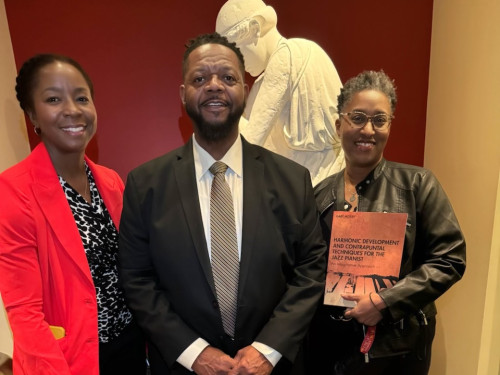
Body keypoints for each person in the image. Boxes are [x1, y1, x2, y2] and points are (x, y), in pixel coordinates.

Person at [118, 32, 326, 375]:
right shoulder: (146, 185)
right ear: (183, 94)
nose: (214, 86)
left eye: (228, 78)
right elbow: (137, 279)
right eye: (200, 78)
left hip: (272, 368)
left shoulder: (293, 180)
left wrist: (268, 349)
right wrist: (193, 352)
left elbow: (310, 270)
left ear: (245, 90)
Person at [306, 70, 466, 374]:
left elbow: (450, 259)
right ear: (339, 125)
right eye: (357, 118)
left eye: (379, 120)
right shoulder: (318, 196)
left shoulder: (418, 185)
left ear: (390, 126)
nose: (368, 129)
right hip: (328, 350)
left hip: (397, 351)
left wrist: (384, 301)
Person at [0, 54, 146, 375]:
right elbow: (24, 312)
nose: (72, 109)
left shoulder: (110, 181)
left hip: (130, 347)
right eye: (53, 99)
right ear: (31, 114)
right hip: (68, 362)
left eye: (81, 97)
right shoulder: (12, 191)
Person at [216, 0, 345, 186]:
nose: (240, 66)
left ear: (255, 29)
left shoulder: (287, 55)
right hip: (312, 180)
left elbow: (249, 143)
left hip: (316, 180)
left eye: (238, 52)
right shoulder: (268, 77)